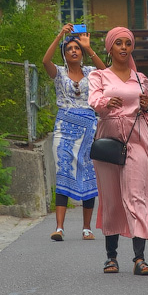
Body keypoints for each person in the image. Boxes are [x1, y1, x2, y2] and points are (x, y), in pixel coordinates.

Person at [88, 26, 148, 274]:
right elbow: (94, 102)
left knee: (136, 195)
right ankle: (111, 257)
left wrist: (145, 106)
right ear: (110, 48)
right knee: (111, 198)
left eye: (128, 43)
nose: (124, 48)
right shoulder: (99, 76)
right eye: (119, 43)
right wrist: (106, 102)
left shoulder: (140, 79)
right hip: (109, 138)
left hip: (136, 138)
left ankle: (139, 258)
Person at [43, 23, 105, 241]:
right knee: (64, 172)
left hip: (88, 125)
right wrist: (60, 34)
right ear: (64, 53)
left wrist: (89, 47)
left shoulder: (90, 72)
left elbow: (107, 73)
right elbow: (45, 61)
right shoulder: (59, 73)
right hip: (64, 126)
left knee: (88, 174)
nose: (73, 51)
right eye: (69, 48)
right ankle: (59, 228)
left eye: (77, 48)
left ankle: (86, 228)